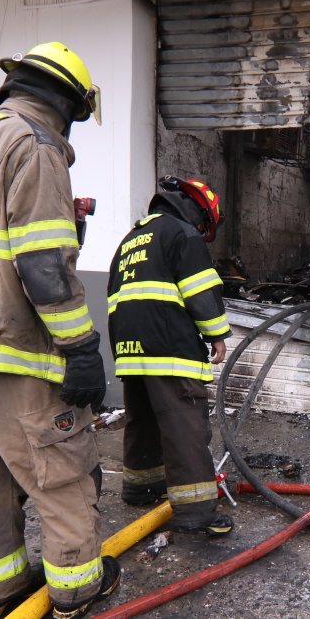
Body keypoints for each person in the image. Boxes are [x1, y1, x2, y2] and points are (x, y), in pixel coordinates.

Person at [0, 42, 118, 619]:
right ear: (67, 104)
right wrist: (82, 348)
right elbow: (42, 265)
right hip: (13, 354)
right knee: (59, 472)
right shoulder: (35, 147)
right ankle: (78, 588)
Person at [107, 176, 234, 536]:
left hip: (129, 348)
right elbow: (199, 290)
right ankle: (196, 512)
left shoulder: (131, 240)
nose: (199, 229)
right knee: (184, 423)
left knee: (142, 418)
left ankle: (140, 486)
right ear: (198, 212)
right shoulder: (182, 234)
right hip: (168, 347)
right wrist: (217, 334)